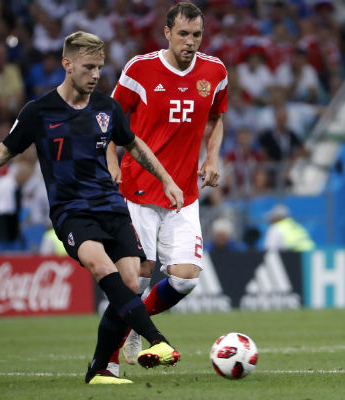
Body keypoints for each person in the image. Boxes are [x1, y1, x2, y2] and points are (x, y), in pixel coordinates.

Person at [0, 31, 183, 385]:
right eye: (88, 67)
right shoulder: (39, 112)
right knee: (101, 266)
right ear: (67, 64)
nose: (95, 75)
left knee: (132, 283)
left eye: (100, 68)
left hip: (111, 206)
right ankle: (158, 340)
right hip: (72, 212)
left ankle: (98, 369)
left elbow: (134, 146)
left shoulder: (107, 107)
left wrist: (166, 179)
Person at [107, 2, 227, 368]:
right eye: (183, 34)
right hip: (139, 189)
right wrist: (112, 163)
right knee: (135, 281)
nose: (190, 42)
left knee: (186, 279)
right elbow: (111, 120)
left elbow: (218, 118)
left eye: (196, 35)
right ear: (167, 33)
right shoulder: (139, 70)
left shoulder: (215, 72)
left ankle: (134, 326)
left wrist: (213, 157)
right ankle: (107, 364)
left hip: (183, 193)